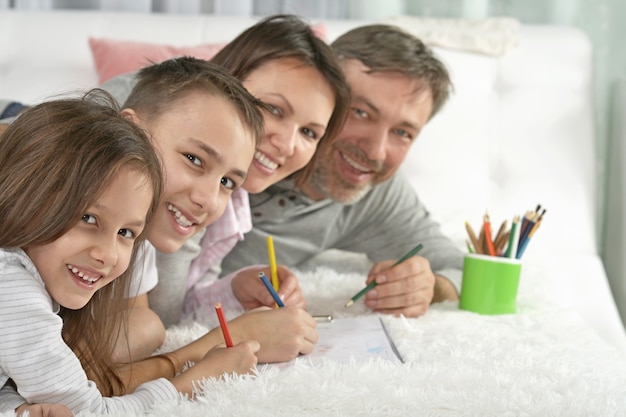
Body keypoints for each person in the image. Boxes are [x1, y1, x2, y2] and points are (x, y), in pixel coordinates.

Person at [102, 15, 350, 367]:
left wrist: (234, 290)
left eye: (309, 133)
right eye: (273, 109)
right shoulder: (122, 116)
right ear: (229, 78)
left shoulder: (226, 201)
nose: (287, 144)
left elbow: (169, 308)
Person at [0, 91, 259, 415]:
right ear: (27, 194)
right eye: (88, 218)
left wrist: (17, 409)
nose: (107, 254)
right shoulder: (11, 286)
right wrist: (190, 383)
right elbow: (89, 412)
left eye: (126, 233)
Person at [220, 23, 464, 317]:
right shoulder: (227, 141)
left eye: (402, 132)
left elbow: (460, 269)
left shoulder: (376, 193)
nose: (375, 151)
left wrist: (429, 287)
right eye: (360, 113)